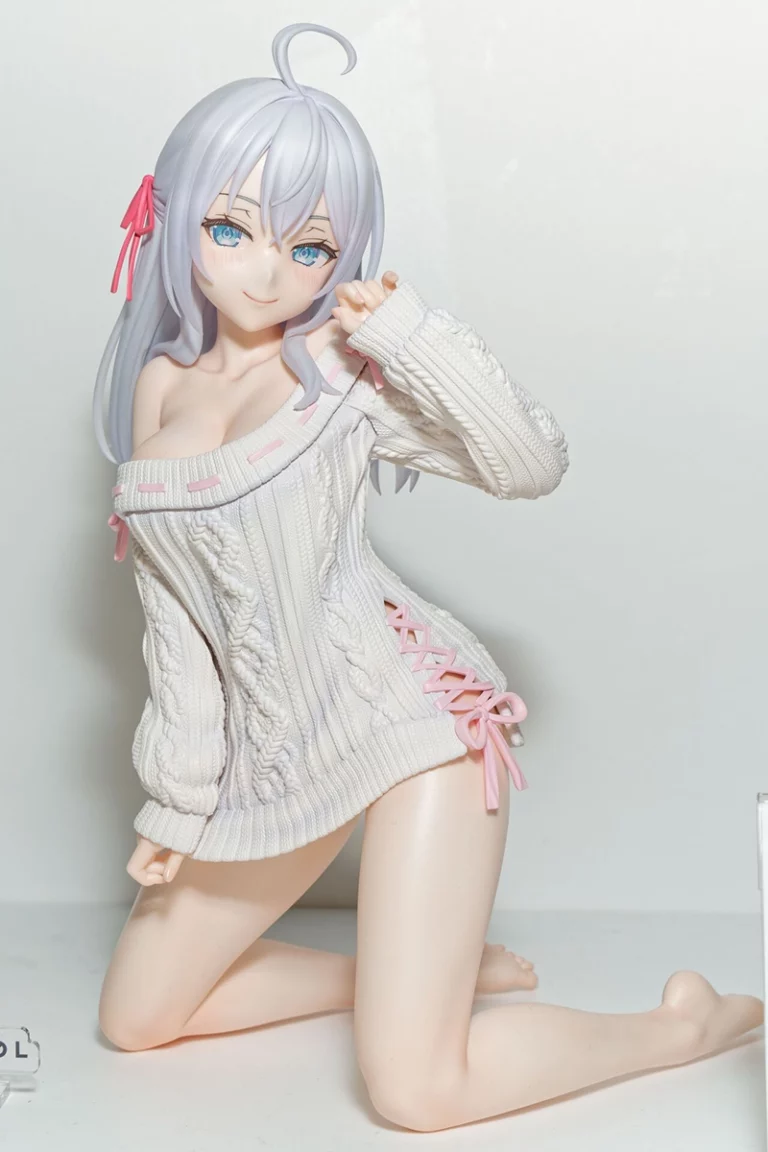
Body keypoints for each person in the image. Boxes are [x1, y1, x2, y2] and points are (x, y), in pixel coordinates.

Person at [94, 21, 762, 1134]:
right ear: (175, 218)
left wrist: (410, 334)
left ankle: (678, 1028)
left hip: (412, 729)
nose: (268, 270)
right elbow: (178, 622)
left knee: (416, 1092)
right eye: (231, 227)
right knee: (135, 1020)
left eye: (310, 246)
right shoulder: (160, 386)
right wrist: (178, 795)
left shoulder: (342, 374)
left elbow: (530, 463)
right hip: (277, 756)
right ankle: (427, 977)